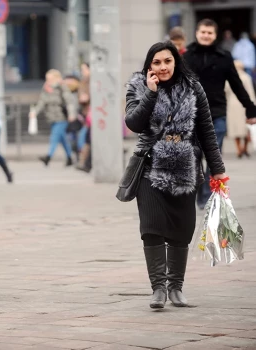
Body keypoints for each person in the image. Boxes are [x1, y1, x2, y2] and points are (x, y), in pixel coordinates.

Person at [125, 41, 227, 309]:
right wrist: (150, 93)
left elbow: (206, 131)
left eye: (167, 61)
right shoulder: (137, 86)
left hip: (185, 167)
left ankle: (176, 288)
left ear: (175, 62)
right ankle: (158, 289)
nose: (162, 67)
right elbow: (134, 123)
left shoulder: (193, 88)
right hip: (149, 167)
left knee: (182, 230)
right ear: (149, 66)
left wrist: (218, 170)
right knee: (151, 229)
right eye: (156, 63)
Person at [183, 19, 256, 209]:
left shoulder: (224, 57)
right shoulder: (186, 56)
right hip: (192, 114)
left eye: (210, 33)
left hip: (216, 113)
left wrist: (250, 108)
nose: (206, 35)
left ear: (215, 35)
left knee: (214, 156)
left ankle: (208, 196)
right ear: (197, 33)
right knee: (194, 156)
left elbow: (236, 84)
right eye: (203, 32)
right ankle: (197, 194)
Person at [31, 69, 76, 167]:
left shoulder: (62, 87)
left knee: (54, 137)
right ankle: (70, 158)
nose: (48, 81)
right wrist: (35, 112)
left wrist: (72, 114)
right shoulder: (46, 88)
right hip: (51, 117)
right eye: (47, 79)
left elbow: (69, 101)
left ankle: (48, 157)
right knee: (62, 139)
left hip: (61, 117)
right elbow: (41, 101)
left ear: (56, 78)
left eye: (50, 79)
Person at [226, 60, 256, 158]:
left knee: (235, 128)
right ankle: (245, 148)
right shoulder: (246, 77)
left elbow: (226, 91)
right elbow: (250, 91)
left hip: (232, 104)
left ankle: (238, 149)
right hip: (244, 105)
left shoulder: (229, 77)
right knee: (246, 127)